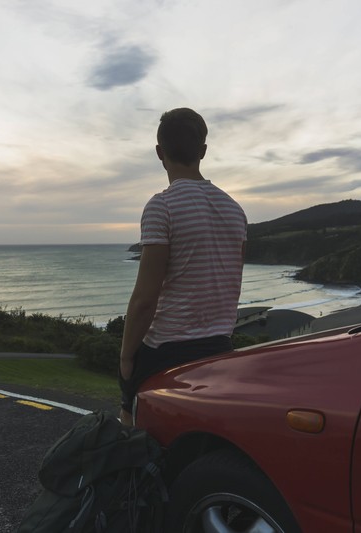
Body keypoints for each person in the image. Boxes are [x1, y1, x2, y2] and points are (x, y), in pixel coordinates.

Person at [119, 107, 247, 427]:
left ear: (159, 152)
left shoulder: (161, 206)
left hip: (168, 349)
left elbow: (145, 298)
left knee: (132, 431)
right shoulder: (235, 211)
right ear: (203, 151)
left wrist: (126, 356)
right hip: (220, 347)